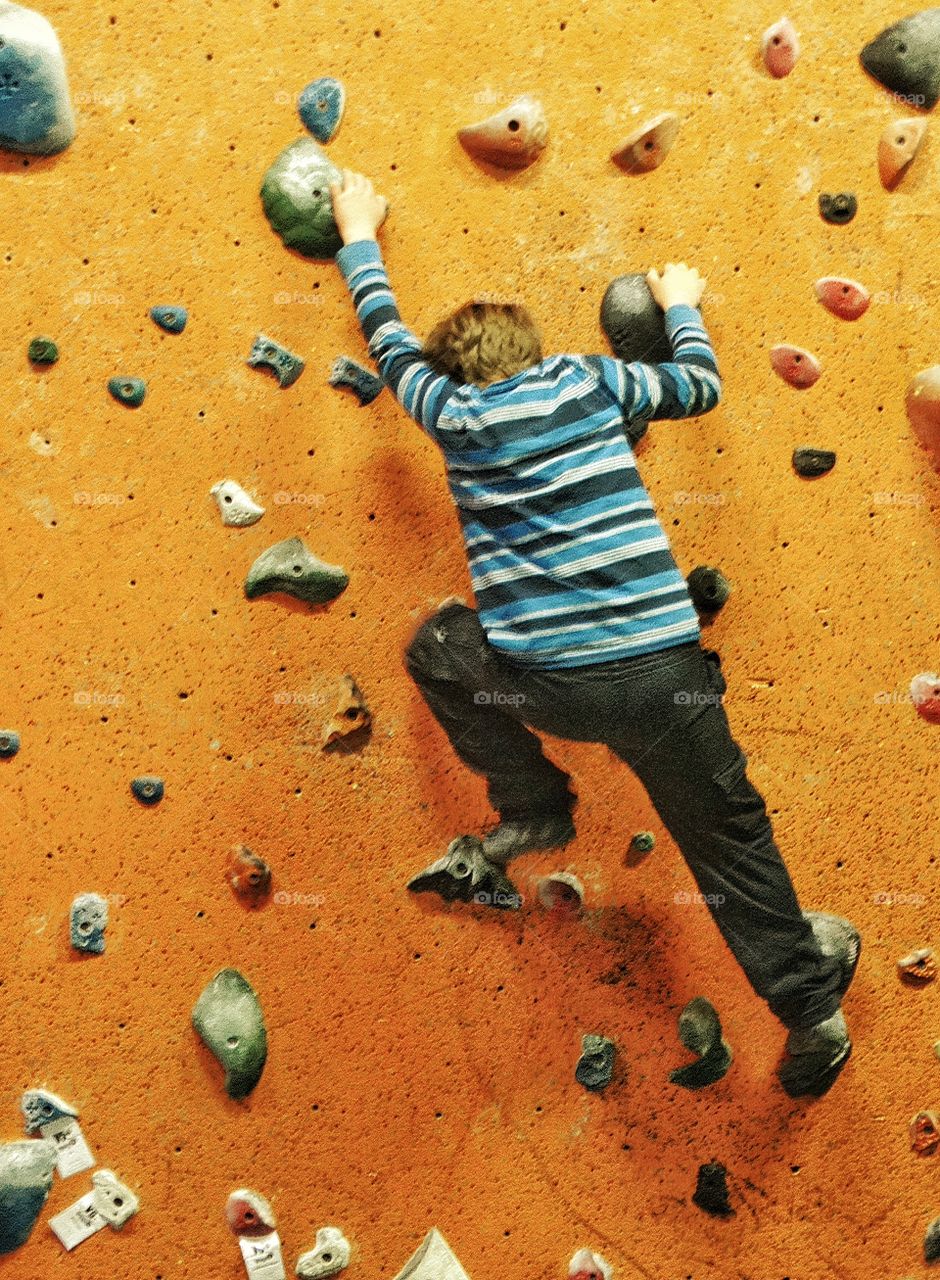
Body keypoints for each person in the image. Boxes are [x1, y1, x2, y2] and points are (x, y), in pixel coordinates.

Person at [328, 169, 861, 1098]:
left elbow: (387, 336)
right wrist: (683, 304)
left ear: (451, 378)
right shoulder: (589, 380)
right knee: (727, 836)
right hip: (664, 684)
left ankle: (532, 799)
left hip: (547, 687)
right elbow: (697, 385)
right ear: (534, 351)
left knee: (440, 647)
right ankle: (812, 1017)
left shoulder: (448, 412)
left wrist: (355, 232)